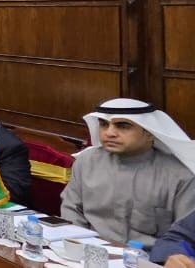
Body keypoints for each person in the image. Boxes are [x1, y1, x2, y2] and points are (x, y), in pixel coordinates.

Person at [61, 98, 195, 249]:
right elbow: (71, 209)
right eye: (104, 125)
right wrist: (78, 246)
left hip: (150, 257)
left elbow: (185, 235)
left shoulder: (181, 175)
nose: (110, 133)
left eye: (123, 126)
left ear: (150, 133)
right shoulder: (86, 161)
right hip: (90, 250)